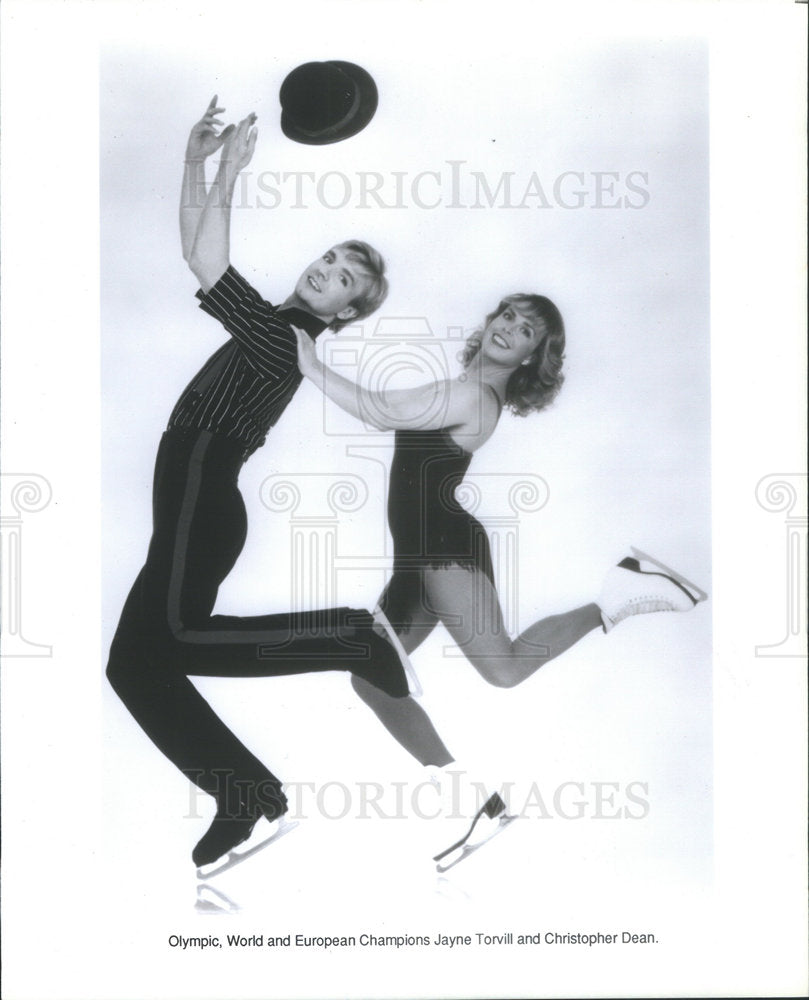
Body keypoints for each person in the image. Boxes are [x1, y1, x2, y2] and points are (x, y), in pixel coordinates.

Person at [106, 97, 416, 872]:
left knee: (165, 643)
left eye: (343, 278)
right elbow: (195, 247)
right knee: (133, 663)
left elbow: (205, 261)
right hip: (189, 498)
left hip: (204, 492)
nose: (325, 272)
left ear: (346, 312)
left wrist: (233, 167)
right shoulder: (269, 319)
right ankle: (243, 794)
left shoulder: (285, 334)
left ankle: (347, 635)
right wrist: (194, 162)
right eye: (328, 259)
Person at [294, 290, 708, 852]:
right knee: (370, 677)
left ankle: (615, 597)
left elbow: (379, 410)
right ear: (491, 321)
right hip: (415, 557)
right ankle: (473, 803)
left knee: (505, 670)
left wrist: (311, 365)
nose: (510, 328)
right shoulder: (465, 387)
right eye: (508, 315)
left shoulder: (474, 397)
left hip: (444, 549)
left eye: (528, 332)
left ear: (534, 358)